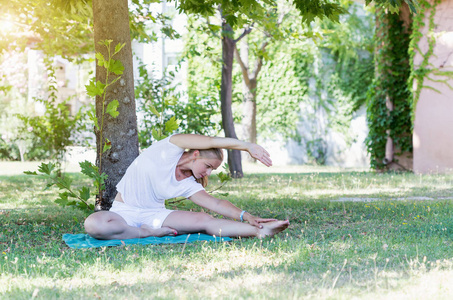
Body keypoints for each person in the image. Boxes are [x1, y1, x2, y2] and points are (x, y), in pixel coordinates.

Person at [84, 134, 290, 240]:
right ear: (195, 154)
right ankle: (145, 234)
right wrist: (246, 146)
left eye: (212, 171)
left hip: (154, 216)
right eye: (208, 166)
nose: (208, 173)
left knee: (204, 220)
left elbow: (216, 203)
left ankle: (259, 232)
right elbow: (210, 140)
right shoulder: (170, 147)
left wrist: (248, 216)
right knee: (94, 224)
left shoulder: (187, 183)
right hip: (124, 212)